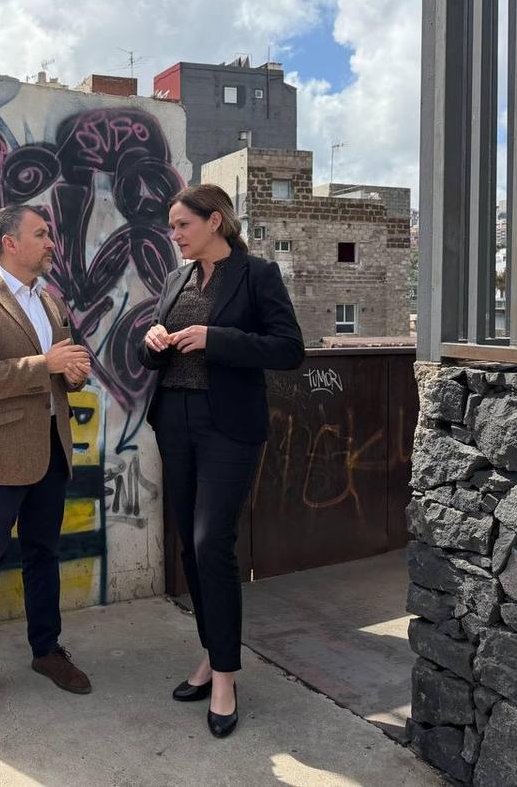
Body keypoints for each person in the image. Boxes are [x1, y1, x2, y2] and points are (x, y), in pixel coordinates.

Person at [139, 184, 304, 739]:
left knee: (213, 543)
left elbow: (288, 348)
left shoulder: (258, 275)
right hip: (174, 421)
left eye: (182, 224)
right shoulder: (174, 280)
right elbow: (145, 357)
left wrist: (217, 338)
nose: (175, 234)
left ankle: (226, 677)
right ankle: (212, 655)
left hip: (228, 428)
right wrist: (152, 340)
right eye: (172, 226)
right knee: (190, 543)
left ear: (215, 222)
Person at [0, 204, 93, 724]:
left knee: (42, 555)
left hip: (51, 450)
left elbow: (66, 367)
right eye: (41, 233)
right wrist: (45, 364)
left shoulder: (51, 301)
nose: (51, 241)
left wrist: (74, 371)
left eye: (49, 233)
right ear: (11, 243)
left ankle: (46, 650)